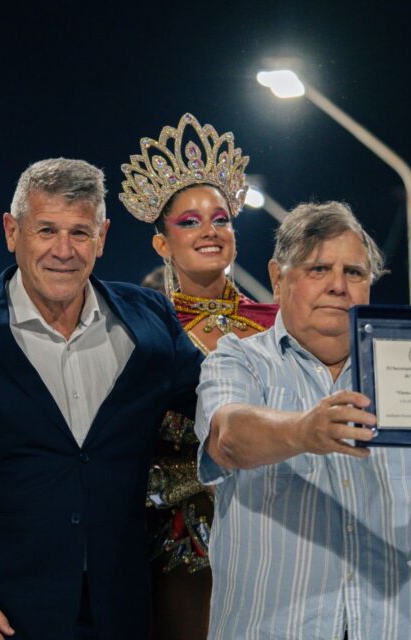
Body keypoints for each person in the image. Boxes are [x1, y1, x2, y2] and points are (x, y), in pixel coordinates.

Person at [194, 201, 411, 640]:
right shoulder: (237, 359)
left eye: (354, 272)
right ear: (277, 278)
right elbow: (227, 437)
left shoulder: (410, 360)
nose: (338, 286)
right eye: (319, 269)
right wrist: (304, 431)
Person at [0, 158, 203, 640]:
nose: (63, 251)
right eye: (46, 230)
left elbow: (215, 405)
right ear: (12, 231)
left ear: (102, 237)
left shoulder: (149, 319)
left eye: (80, 233)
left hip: (123, 614)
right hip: (0, 620)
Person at [119, 113, 277, 640]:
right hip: (179, 545)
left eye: (221, 219)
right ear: (162, 244)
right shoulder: (140, 328)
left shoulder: (276, 325)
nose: (210, 230)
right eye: (189, 221)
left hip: (275, 535)